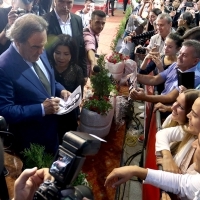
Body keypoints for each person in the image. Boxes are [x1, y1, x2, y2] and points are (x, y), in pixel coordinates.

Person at [0, 14, 71, 157]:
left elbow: (47, 81)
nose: (41, 51)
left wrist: (61, 90)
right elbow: (5, 110)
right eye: (35, 47)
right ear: (18, 42)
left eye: (43, 45)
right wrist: (41, 109)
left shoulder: (39, 49)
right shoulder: (3, 67)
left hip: (52, 134)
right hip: (30, 144)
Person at [105, 100, 200, 200]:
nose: (194, 144)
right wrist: (135, 170)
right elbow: (181, 183)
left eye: (194, 114)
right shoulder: (192, 133)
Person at [130, 40, 200, 104]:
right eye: (180, 53)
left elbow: (170, 98)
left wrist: (144, 97)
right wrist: (132, 75)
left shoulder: (194, 77)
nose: (179, 57)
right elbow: (155, 79)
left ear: (195, 61)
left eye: (184, 55)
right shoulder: (174, 65)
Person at [47, 34, 84, 143]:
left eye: (66, 54)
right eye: (57, 53)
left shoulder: (77, 71)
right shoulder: (48, 67)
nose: (61, 57)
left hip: (69, 114)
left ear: (72, 54)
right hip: (49, 112)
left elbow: (78, 95)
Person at [156, 89, 200, 174]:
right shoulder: (174, 120)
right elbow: (162, 134)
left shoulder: (190, 131)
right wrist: (167, 157)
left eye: (181, 107)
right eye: (176, 101)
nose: (172, 107)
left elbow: (185, 184)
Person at [43, 0, 88, 84]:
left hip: (74, 74)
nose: (65, 6)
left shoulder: (77, 20)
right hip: (52, 73)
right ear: (55, 1)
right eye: (61, 2)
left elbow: (81, 47)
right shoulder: (44, 21)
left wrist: (84, 73)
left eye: (69, 2)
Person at [139, 27, 185, 94]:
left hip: (165, 97)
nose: (166, 48)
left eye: (170, 47)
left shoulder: (178, 65)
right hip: (156, 94)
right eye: (165, 45)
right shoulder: (161, 57)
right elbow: (142, 74)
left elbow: (168, 86)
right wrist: (146, 59)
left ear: (178, 49)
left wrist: (160, 68)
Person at [83, 10, 106, 76]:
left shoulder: (95, 32)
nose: (100, 26)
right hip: (81, 71)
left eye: (103, 23)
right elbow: (89, 46)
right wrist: (93, 61)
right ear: (90, 22)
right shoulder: (87, 34)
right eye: (97, 22)